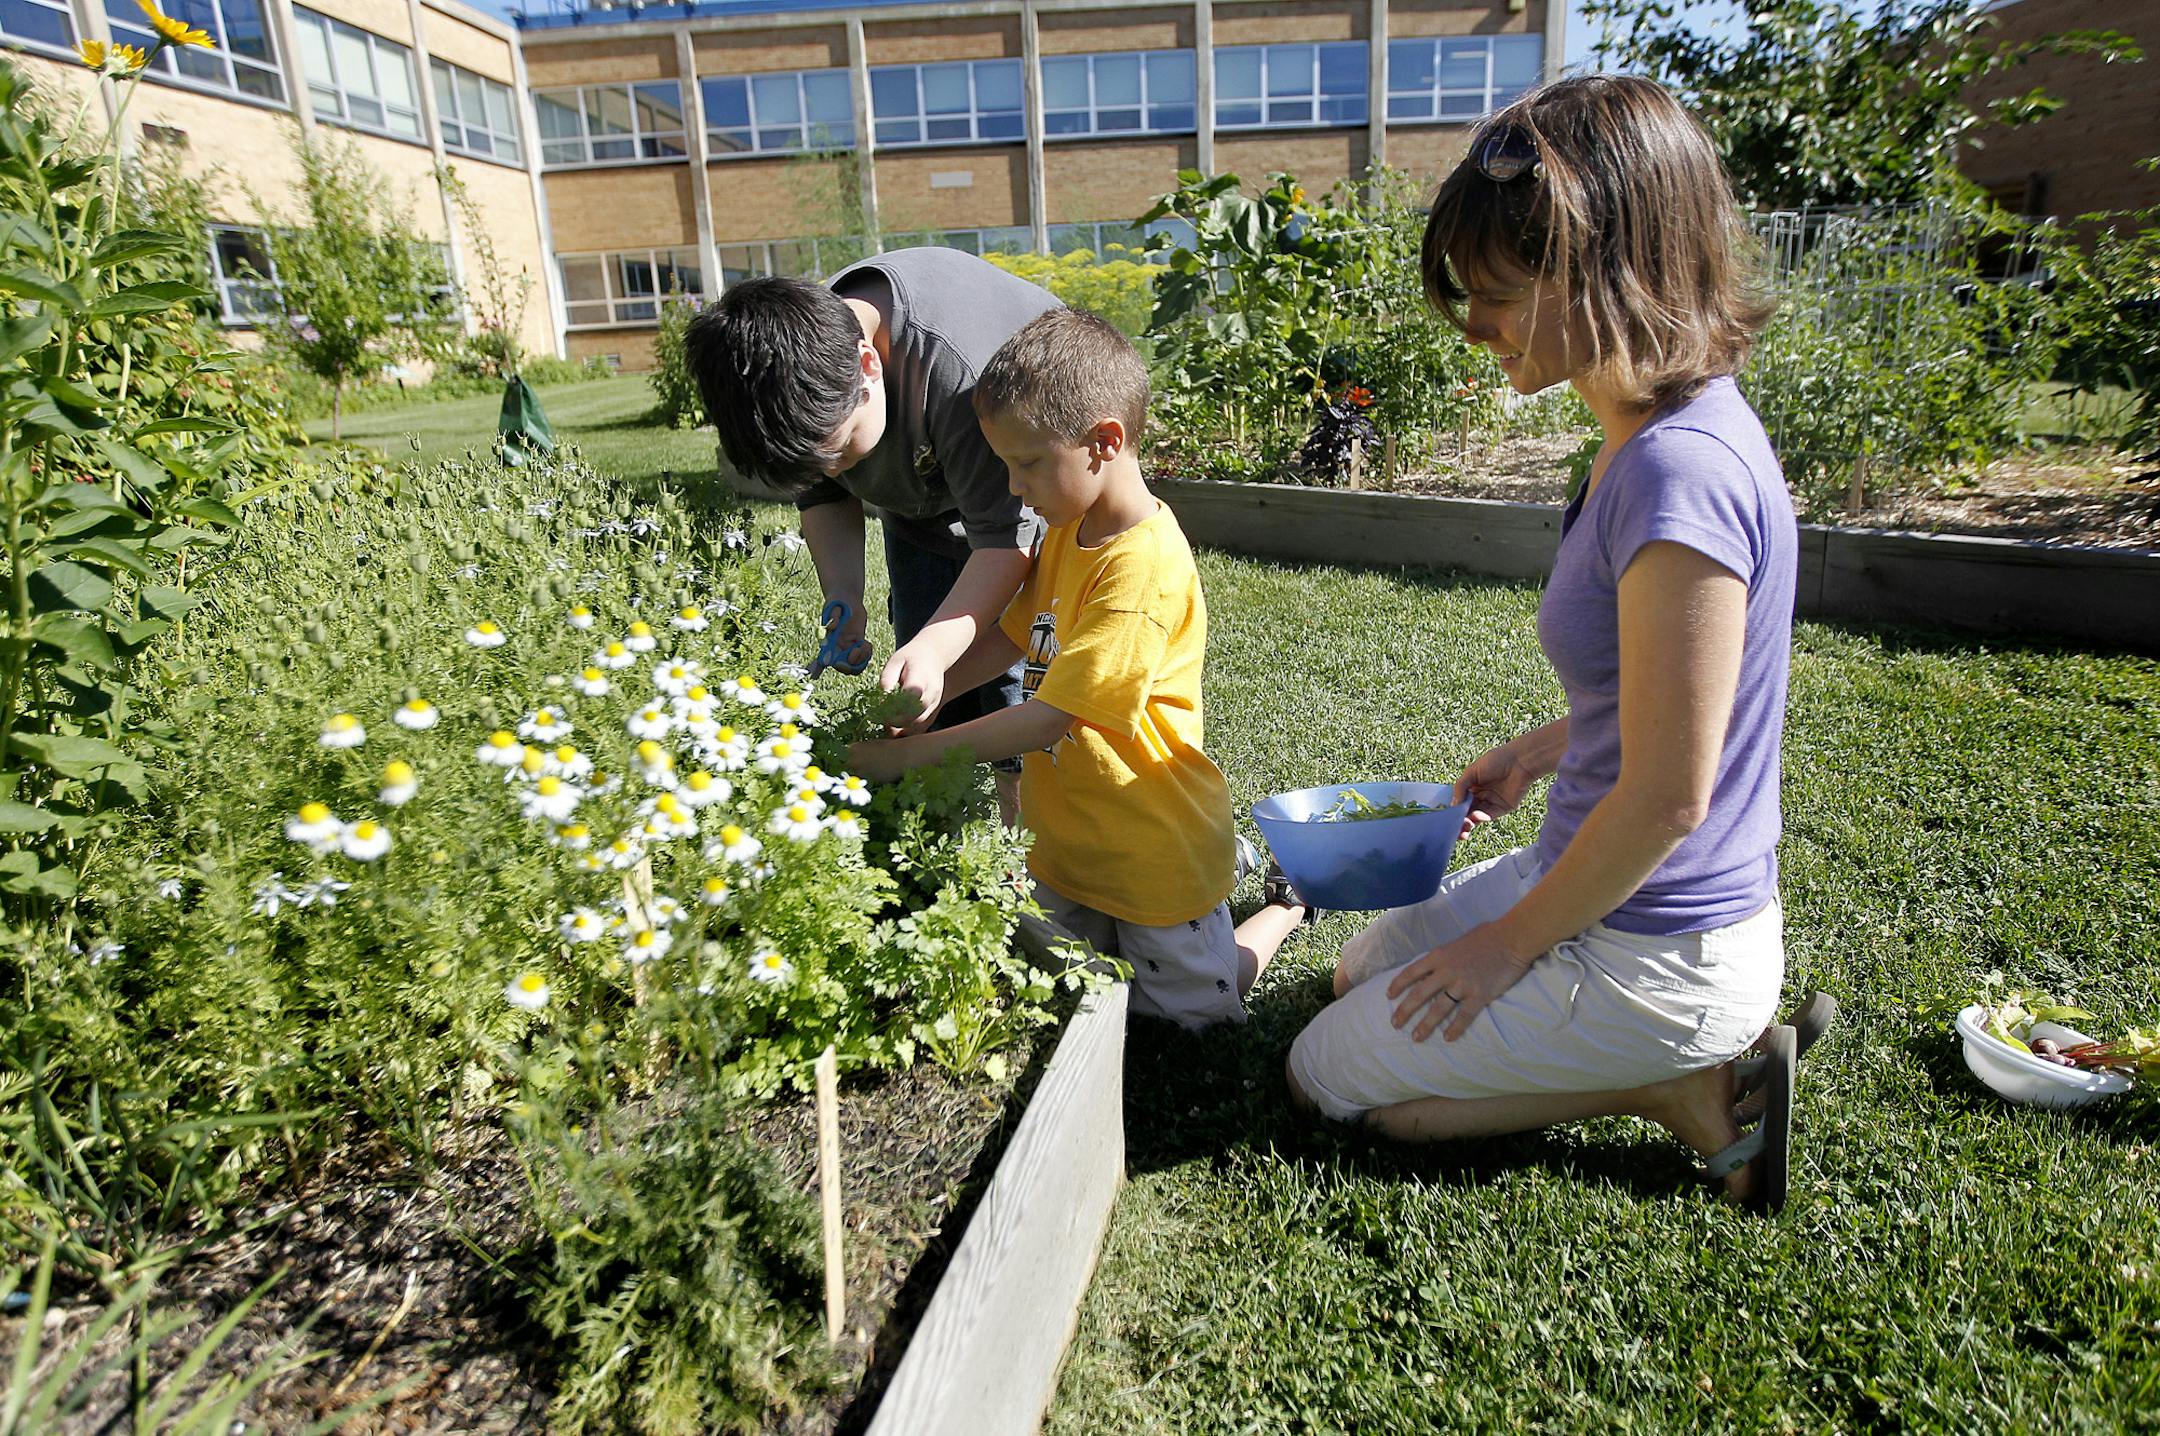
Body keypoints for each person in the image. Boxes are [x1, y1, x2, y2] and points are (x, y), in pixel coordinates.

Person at [1283, 75, 1834, 1211]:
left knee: (1328, 1078)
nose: (1471, 324)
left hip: (1657, 942)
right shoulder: (1642, 432)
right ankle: (1655, 1053)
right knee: (1357, 970)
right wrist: (1544, 749)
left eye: (1494, 292)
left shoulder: (1683, 472)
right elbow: (1670, 694)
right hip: (1590, 874)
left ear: (1607, 265)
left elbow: (1671, 794)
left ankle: (1680, 1080)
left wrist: (1505, 950)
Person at [847, 309, 1305, 1028]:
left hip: (1154, 848)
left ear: (1104, 443)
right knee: (1065, 994)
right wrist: (937, 694)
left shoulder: (1143, 568)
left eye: (1026, 463)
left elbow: (1052, 717)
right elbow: (1012, 636)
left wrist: (906, 758)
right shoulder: (1067, 529)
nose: (1013, 487)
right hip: (1068, 844)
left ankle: (1283, 906)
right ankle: (1233, 862)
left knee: (1190, 1020)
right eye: (1004, 465)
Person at [683, 248, 1065, 821]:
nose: (835, 472)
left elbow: (1007, 542)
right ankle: (950, 834)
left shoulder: (962, 376)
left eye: (837, 452)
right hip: (925, 507)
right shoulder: (797, 376)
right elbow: (823, 494)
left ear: (868, 365)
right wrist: (845, 592)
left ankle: (1027, 839)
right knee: (931, 688)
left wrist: (936, 650)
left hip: (1032, 510)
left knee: (1016, 686)